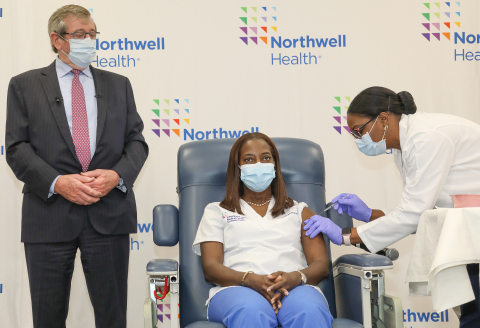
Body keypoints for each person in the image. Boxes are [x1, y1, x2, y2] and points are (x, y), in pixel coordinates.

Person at [5, 5, 148, 328]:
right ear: (57, 39)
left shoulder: (119, 84)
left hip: (108, 213)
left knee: (113, 317)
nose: (89, 40)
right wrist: (58, 182)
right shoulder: (24, 85)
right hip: (49, 215)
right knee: (48, 317)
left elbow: (136, 142)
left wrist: (117, 176)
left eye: (93, 33)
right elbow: (16, 148)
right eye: (80, 34)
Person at [304, 86, 480, 328]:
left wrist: (346, 237)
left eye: (359, 131)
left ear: (383, 119)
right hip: (467, 231)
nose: (358, 139)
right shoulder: (404, 147)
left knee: (474, 316)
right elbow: (419, 214)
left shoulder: (426, 137)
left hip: (471, 229)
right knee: (473, 313)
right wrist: (368, 215)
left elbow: (414, 214)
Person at [192, 132, 333, 328]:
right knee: (251, 311)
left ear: (275, 165)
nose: (258, 164)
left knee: (308, 309)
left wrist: (295, 277)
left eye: (266, 158)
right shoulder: (216, 211)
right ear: (238, 168)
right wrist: (247, 279)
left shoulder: (300, 211)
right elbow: (211, 268)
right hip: (235, 289)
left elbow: (321, 264)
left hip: (294, 289)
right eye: (249, 159)